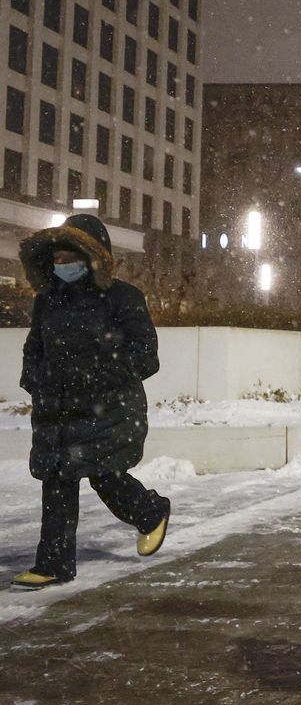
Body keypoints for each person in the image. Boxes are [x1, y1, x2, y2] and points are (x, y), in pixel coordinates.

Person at [11, 214, 170, 590]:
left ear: (94, 255)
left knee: (104, 476)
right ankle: (53, 564)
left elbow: (146, 354)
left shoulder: (123, 298)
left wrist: (97, 378)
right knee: (56, 480)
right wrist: (35, 381)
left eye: (72, 257)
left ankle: (151, 513)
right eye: (58, 259)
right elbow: (35, 348)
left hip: (109, 410)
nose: (63, 265)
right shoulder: (47, 302)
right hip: (57, 409)